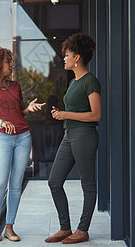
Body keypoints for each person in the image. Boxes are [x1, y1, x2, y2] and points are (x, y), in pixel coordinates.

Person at [0, 45, 45, 242]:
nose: (11, 64)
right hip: (2, 138)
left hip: (23, 137)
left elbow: (19, 112)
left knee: (15, 185)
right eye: (7, 61)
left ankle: (9, 227)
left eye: (11, 61)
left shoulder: (15, 86)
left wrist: (28, 108)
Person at [45, 33, 101, 244]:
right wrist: (61, 113)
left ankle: (83, 230)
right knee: (54, 182)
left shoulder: (90, 81)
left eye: (67, 55)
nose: (64, 59)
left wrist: (66, 114)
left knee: (87, 184)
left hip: (85, 135)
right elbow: (76, 109)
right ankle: (65, 227)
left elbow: (96, 115)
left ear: (77, 57)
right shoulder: (74, 82)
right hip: (69, 135)